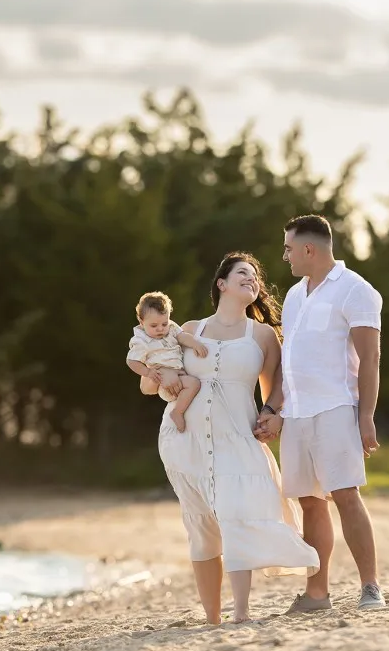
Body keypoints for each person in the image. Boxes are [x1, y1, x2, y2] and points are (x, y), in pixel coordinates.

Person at [134, 253, 320, 625]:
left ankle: (242, 612)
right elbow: (150, 387)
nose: (252, 279)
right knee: (201, 524)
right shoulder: (188, 328)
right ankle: (213, 617)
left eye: (255, 276)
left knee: (237, 515)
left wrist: (274, 416)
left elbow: (277, 389)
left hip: (238, 436)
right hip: (183, 438)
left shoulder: (263, 335)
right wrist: (156, 377)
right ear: (221, 284)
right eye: (242, 273)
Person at [254, 214, 387, 612]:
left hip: (335, 409)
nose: (285, 256)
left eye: (288, 248)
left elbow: (371, 359)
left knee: (345, 494)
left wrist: (365, 416)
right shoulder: (295, 296)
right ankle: (318, 594)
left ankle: (371, 587)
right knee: (310, 502)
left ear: (308, 249)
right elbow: (290, 363)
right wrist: (275, 409)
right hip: (297, 415)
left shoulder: (356, 291)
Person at [126, 291, 209, 433]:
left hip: (179, 375)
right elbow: (131, 361)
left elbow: (182, 336)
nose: (160, 329)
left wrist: (195, 344)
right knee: (194, 384)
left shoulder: (170, 329)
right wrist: (148, 372)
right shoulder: (141, 340)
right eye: (154, 325)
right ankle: (178, 412)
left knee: (194, 384)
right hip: (161, 378)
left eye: (164, 323)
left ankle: (181, 412)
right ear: (141, 321)